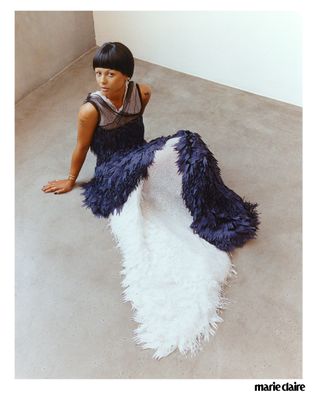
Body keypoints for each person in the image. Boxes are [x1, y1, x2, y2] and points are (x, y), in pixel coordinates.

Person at [41, 42, 260, 359]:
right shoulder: (90, 109)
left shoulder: (142, 92)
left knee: (189, 142)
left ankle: (209, 209)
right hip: (113, 170)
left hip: (139, 155)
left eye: (111, 73)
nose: (102, 80)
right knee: (158, 190)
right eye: (98, 73)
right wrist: (71, 180)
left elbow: (136, 130)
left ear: (126, 75)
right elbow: (80, 147)